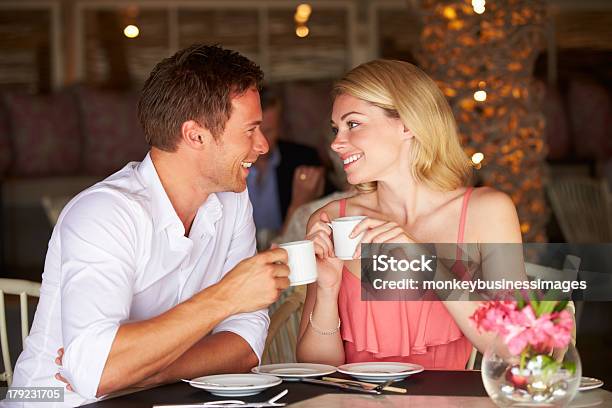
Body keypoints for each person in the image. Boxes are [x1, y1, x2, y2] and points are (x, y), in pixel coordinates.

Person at [8, 44, 290, 406]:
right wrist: (227, 296)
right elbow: (98, 374)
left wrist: (145, 370)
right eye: (250, 130)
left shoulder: (232, 201)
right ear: (195, 136)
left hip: (158, 397)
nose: (264, 145)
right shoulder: (104, 214)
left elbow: (246, 344)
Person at [295, 60, 524, 369]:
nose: (336, 143)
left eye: (353, 124)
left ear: (407, 124)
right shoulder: (331, 220)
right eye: (336, 129)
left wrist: (428, 265)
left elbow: (512, 349)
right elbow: (314, 368)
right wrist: (326, 289)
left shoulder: (486, 212)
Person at [246, 87, 325, 244]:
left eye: (268, 131)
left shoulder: (304, 159)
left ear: (280, 127)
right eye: (252, 131)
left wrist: (306, 200)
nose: (262, 142)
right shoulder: (227, 165)